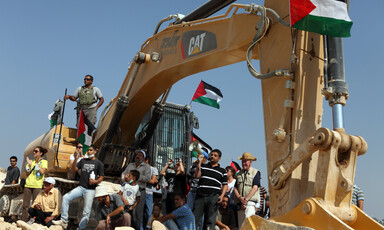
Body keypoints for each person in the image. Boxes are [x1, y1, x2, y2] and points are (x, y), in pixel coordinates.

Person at [53, 145, 104, 229]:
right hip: (81, 188)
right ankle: (64, 220)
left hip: (90, 190)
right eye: (88, 150)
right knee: (65, 197)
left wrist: (95, 181)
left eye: (91, 150)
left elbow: (101, 177)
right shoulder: (83, 161)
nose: (89, 152)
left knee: (86, 212)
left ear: (95, 151)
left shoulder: (99, 163)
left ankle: (81, 228)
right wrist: (76, 159)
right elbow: (74, 170)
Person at [193, 149, 228, 230]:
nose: (212, 156)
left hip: (213, 197)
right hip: (200, 196)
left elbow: (225, 185)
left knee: (210, 221)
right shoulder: (203, 166)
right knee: (194, 218)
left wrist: (222, 196)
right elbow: (197, 176)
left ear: (219, 158)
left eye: (215, 155)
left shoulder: (222, 171)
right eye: (211, 155)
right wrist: (199, 163)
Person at [121, 149, 151, 230]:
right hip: (128, 191)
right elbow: (123, 174)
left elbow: (148, 179)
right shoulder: (130, 165)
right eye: (137, 154)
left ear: (144, 158)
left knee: (137, 213)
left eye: (140, 155)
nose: (138, 156)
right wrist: (125, 177)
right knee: (127, 211)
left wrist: (136, 177)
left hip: (140, 191)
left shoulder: (146, 167)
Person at [233, 152, 261, 227]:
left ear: (250, 162)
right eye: (243, 161)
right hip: (239, 204)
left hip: (250, 203)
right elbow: (235, 188)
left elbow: (255, 187)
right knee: (241, 226)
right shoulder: (238, 174)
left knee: (249, 224)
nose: (244, 163)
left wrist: (245, 200)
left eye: (245, 161)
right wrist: (239, 197)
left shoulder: (255, 172)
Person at [22, 146, 48, 222]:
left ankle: (34, 220)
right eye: (34, 151)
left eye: (36, 151)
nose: (34, 152)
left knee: (36, 205)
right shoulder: (31, 161)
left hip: (37, 186)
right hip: (28, 185)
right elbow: (27, 173)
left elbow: (42, 172)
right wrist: (29, 165)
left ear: (41, 153)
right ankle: (23, 220)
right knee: (25, 205)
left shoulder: (44, 162)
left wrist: (37, 165)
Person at [143, 158, 159, 230]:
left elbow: (153, 181)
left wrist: (141, 178)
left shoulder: (153, 169)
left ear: (147, 160)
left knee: (149, 213)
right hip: (140, 192)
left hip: (149, 193)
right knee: (141, 213)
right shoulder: (141, 169)